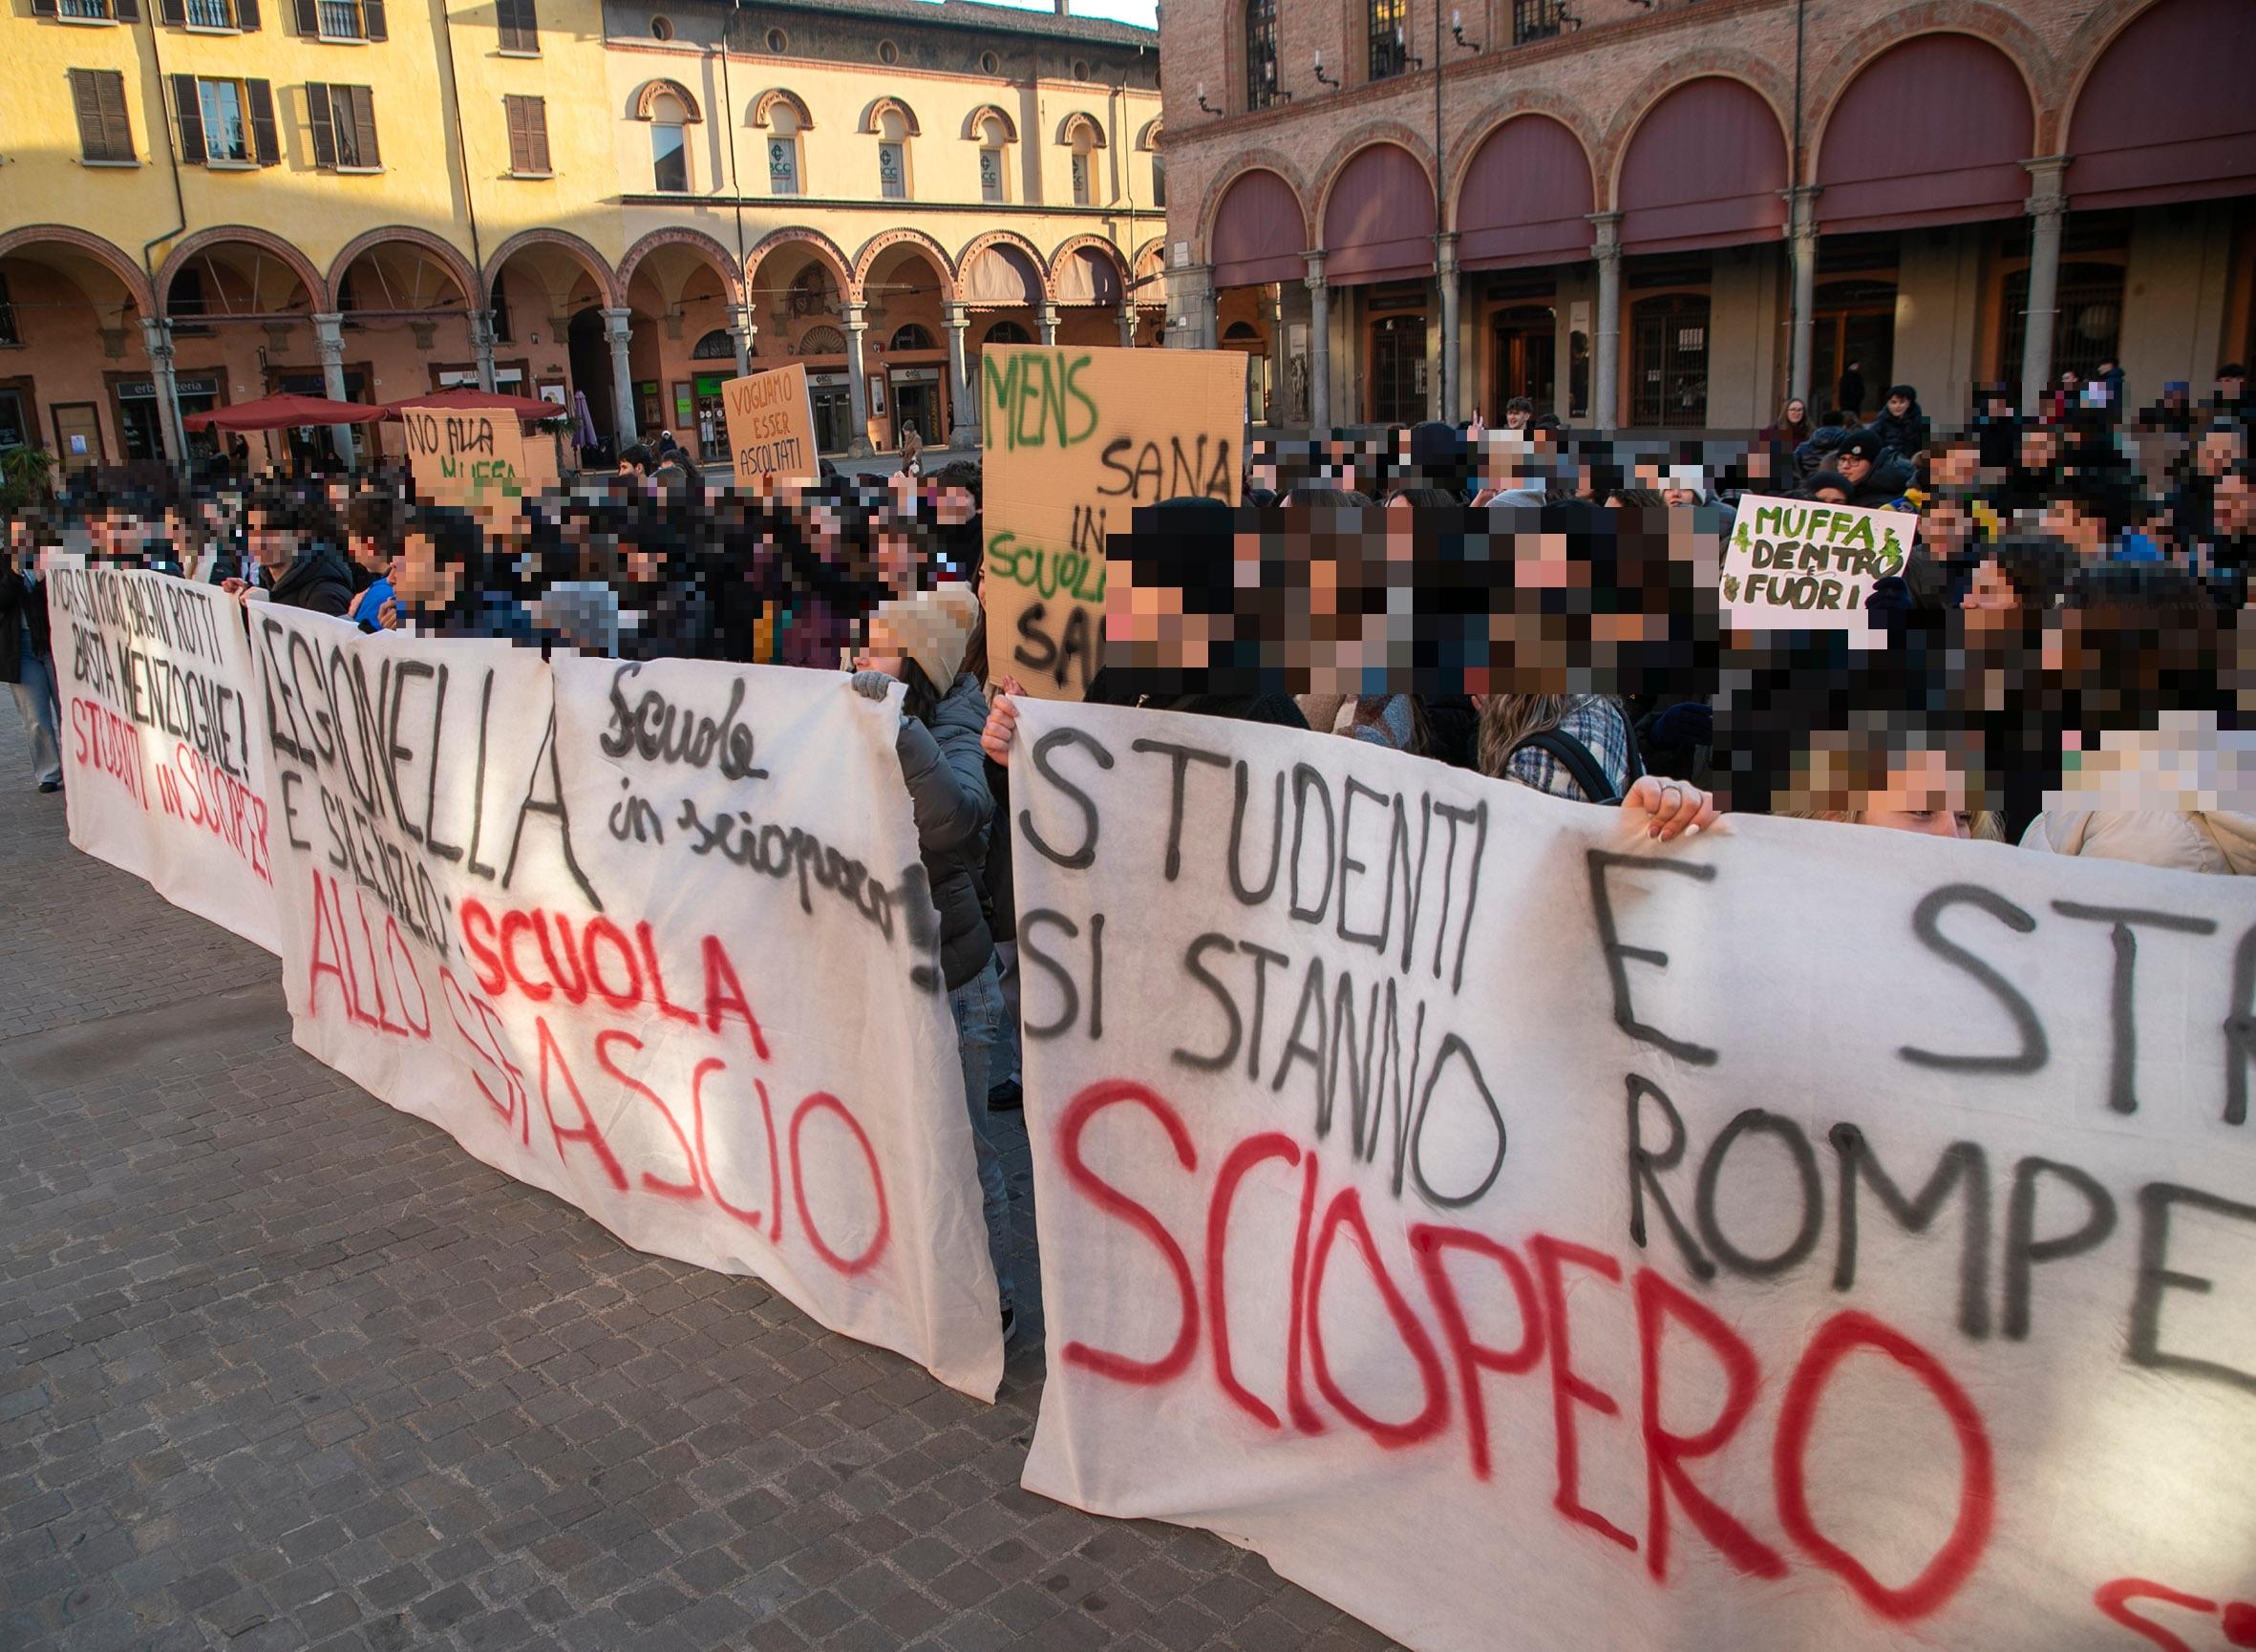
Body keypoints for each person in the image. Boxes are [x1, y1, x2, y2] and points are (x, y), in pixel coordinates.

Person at [848, 583, 1016, 1338]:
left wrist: (896, 727)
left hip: (955, 981)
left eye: (883, 644)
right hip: (891, 970)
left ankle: (993, 1306)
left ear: (917, 661)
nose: (864, 653)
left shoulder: (956, 720)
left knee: (967, 1155)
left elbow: (952, 820)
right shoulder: (873, 711)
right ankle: (917, 1283)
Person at [1, 545, 62, 794]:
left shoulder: (53, 559)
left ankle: (79, 766)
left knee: (67, 709)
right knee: (36, 716)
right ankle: (49, 773)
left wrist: (42, 581)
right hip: (21, 649)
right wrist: (15, 576)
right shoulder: (5, 563)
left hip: (54, 643)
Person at [1832, 431, 1913, 508]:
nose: (1845, 466)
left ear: (1874, 463)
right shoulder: (1842, 489)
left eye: (1854, 460)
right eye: (1842, 459)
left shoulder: (1885, 502)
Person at [1867, 385, 1929, 461]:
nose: (1897, 406)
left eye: (1902, 402)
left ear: (1909, 403)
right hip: (1887, 466)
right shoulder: (1880, 423)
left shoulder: (1921, 422)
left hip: (1912, 467)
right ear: (1888, 403)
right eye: (1893, 402)